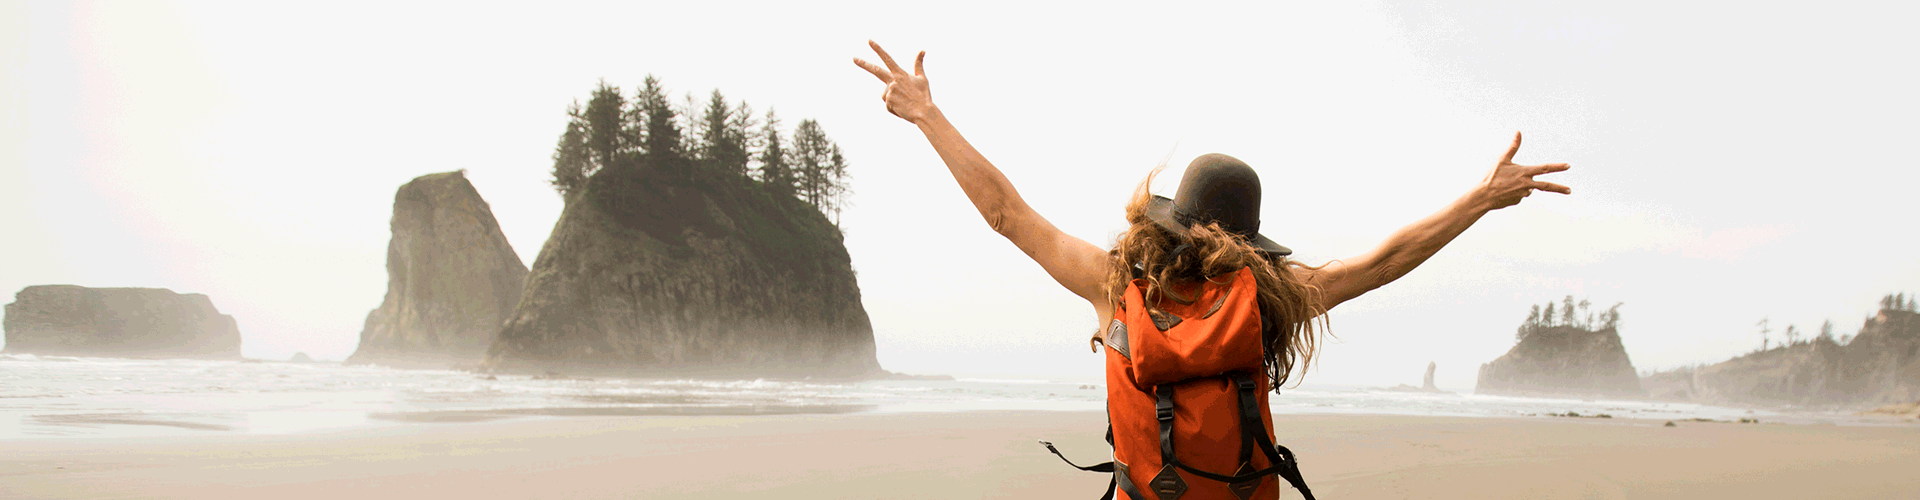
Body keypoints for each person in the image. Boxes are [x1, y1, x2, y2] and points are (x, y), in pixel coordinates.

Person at [853, 41, 1569, 499]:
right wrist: (1480, 199)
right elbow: (1384, 264)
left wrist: (927, 116)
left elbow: (1006, 213)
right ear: (1254, 240)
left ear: (1167, 218)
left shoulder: (1115, 286)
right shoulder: (1273, 298)